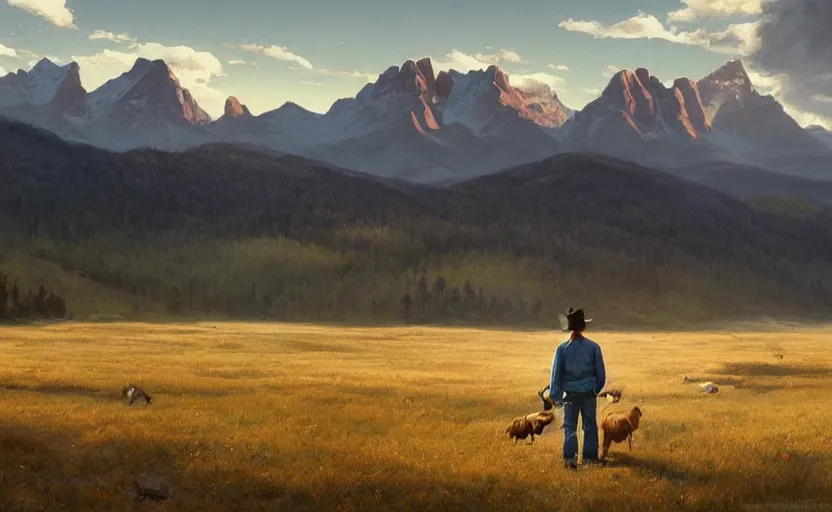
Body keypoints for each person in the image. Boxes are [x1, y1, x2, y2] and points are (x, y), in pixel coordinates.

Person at [549, 307, 606, 469]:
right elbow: (601, 374)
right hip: (588, 393)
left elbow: (556, 376)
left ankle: (570, 460)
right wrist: (595, 389)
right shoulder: (594, 347)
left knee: (570, 427)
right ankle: (589, 459)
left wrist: (556, 397)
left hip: (570, 395)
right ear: (582, 327)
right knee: (589, 426)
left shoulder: (562, 349)